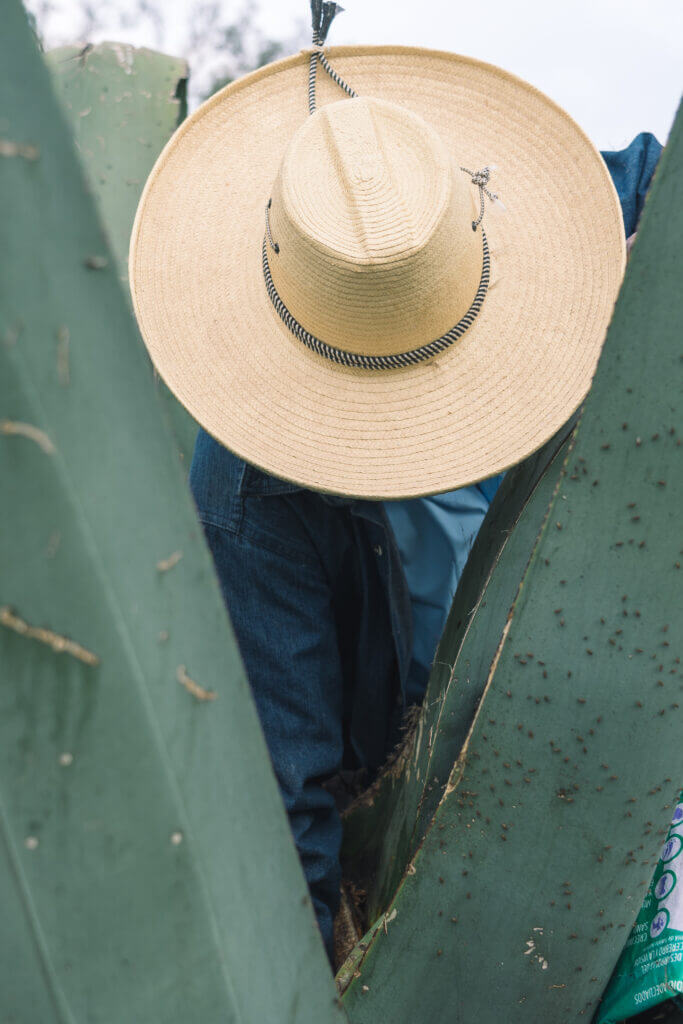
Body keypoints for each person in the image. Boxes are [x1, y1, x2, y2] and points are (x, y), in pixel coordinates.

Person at [129, 0, 662, 968]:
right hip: (461, 888)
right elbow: (288, 820)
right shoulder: (252, 494)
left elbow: (657, 189)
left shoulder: (546, 225)